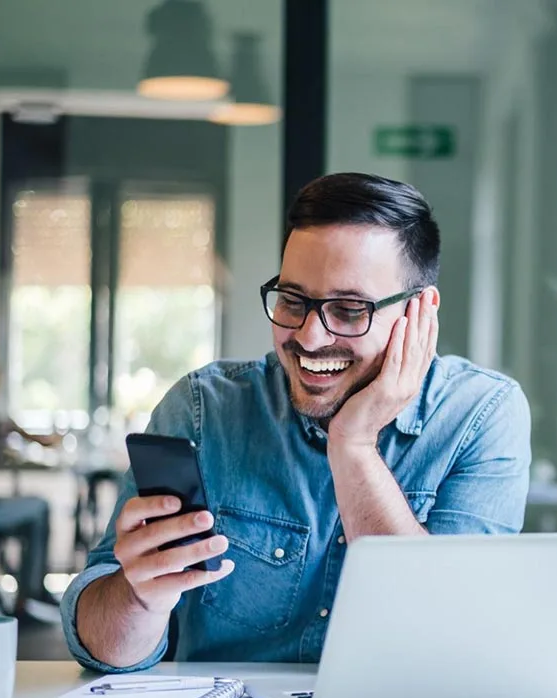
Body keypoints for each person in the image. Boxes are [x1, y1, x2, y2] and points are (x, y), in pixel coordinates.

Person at [61, 173, 532, 671]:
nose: (308, 338)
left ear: (419, 313)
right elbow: (106, 650)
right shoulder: (203, 411)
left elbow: (450, 635)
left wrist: (353, 445)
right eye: (292, 301)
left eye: (349, 310)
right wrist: (140, 597)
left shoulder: (481, 415)